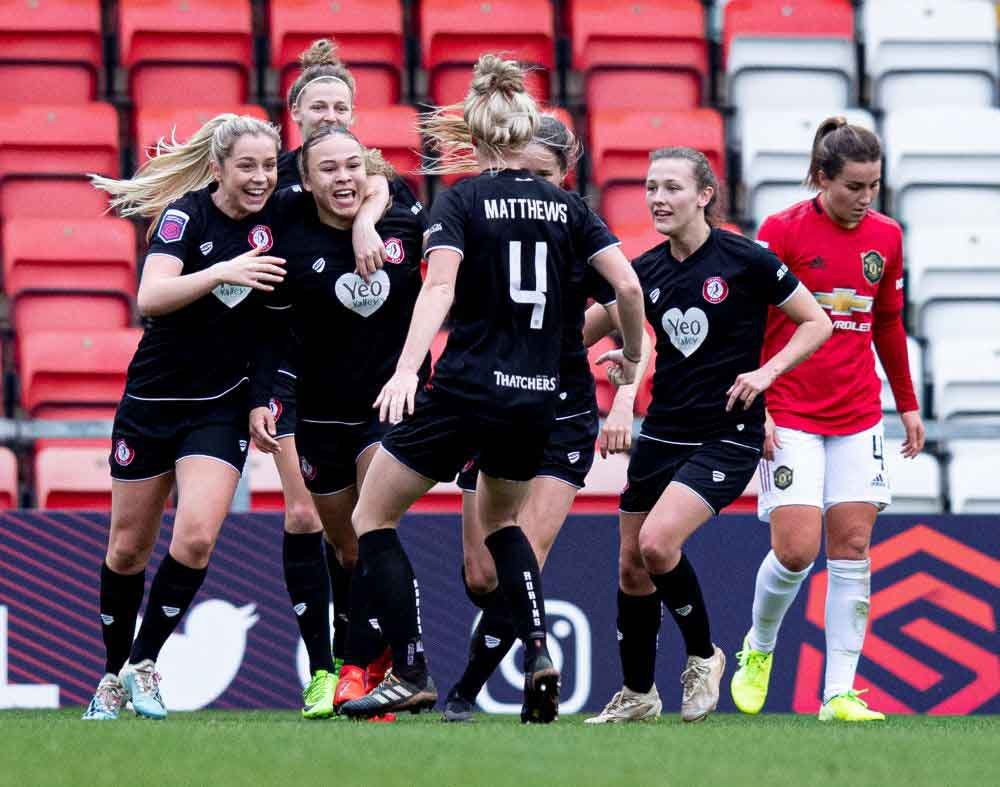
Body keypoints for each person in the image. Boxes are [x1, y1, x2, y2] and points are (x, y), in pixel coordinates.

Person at [338, 54, 646, 722]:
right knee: (504, 529)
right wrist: (632, 358)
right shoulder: (570, 209)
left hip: (465, 389)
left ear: (477, 141)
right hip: (536, 398)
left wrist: (404, 368)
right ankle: (538, 649)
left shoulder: (463, 199)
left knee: (372, 515)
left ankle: (413, 667)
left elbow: (440, 285)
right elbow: (627, 285)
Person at [586, 147, 832, 725]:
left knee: (656, 543)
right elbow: (589, 330)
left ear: (703, 196)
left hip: (728, 434)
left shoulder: (745, 259)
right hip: (664, 432)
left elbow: (816, 320)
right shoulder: (643, 271)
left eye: (671, 187)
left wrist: (767, 373)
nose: (657, 199)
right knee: (631, 566)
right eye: (650, 188)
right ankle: (639, 694)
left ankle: (704, 655)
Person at [441, 115, 652, 722]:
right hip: (492, 400)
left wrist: (624, 386)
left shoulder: (579, 230)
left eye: (543, 174)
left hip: (561, 412)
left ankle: (470, 691)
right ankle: (497, 674)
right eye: (520, 171)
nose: (530, 185)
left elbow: (629, 306)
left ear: (565, 177)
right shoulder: (484, 222)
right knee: (483, 574)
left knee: (524, 549)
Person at [83, 114, 286, 720]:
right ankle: (111, 675)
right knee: (127, 551)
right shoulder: (185, 217)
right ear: (219, 167)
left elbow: (277, 328)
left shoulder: (279, 225)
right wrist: (223, 271)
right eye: (247, 166)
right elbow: (152, 297)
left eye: (269, 166)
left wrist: (259, 399)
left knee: (196, 538)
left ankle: (143, 665)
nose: (260, 178)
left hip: (220, 407)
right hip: (153, 402)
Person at [729, 118, 925, 723]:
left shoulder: (887, 237)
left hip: (858, 412)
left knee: (854, 547)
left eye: (874, 186)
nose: (865, 198)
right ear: (821, 178)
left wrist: (908, 403)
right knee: (794, 550)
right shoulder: (782, 231)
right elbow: (751, 325)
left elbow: (887, 322)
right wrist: (755, 403)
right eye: (854, 187)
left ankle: (838, 693)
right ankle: (758, 648)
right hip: (789, 408)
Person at [249, 125, 427, 720]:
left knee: (375, 526)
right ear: (305, 178)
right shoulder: (288, 239)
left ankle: (367, 670)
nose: (343, 177)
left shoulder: (404, 223)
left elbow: (452, 286)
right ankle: (368, 666)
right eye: (329, 169)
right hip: (319, 414)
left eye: (353, 165)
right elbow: (274, 334)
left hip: (388, 406)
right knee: (347, 549)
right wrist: (267, 398)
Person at [266, 37, 399, 718]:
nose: (328, 113)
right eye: (317, 105)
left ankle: (368, 668)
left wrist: (366, 222)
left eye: (341, 105)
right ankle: (336, 669)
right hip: (296, 388)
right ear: (294, 113)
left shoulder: (371, 182)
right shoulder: (274, 189)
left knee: (369, 530)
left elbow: (380, 190)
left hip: (374, 393)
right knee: (332, 537)